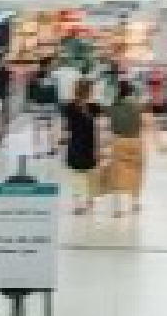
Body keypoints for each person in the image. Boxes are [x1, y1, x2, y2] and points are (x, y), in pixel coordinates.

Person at [99, 82, 148, 216]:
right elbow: (144, 123)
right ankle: (135, 203)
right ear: (131, 93)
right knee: (136, 171)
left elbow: (106, 125)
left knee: (117, 174)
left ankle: (117, 208)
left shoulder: (113, 106)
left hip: (118, 141)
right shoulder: (137, 106)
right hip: (135, 141)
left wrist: (103, 144)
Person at [62, 79, 102, 215]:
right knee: (90, 175)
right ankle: (89, 202)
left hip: (75, 144)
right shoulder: (94, 107)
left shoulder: (68, 107)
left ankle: (78, 205)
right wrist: (99, 147)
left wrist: (60, 141)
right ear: (89, 91)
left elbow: (66, 129)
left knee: (76, 176)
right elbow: (98, 128)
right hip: (89, 144)